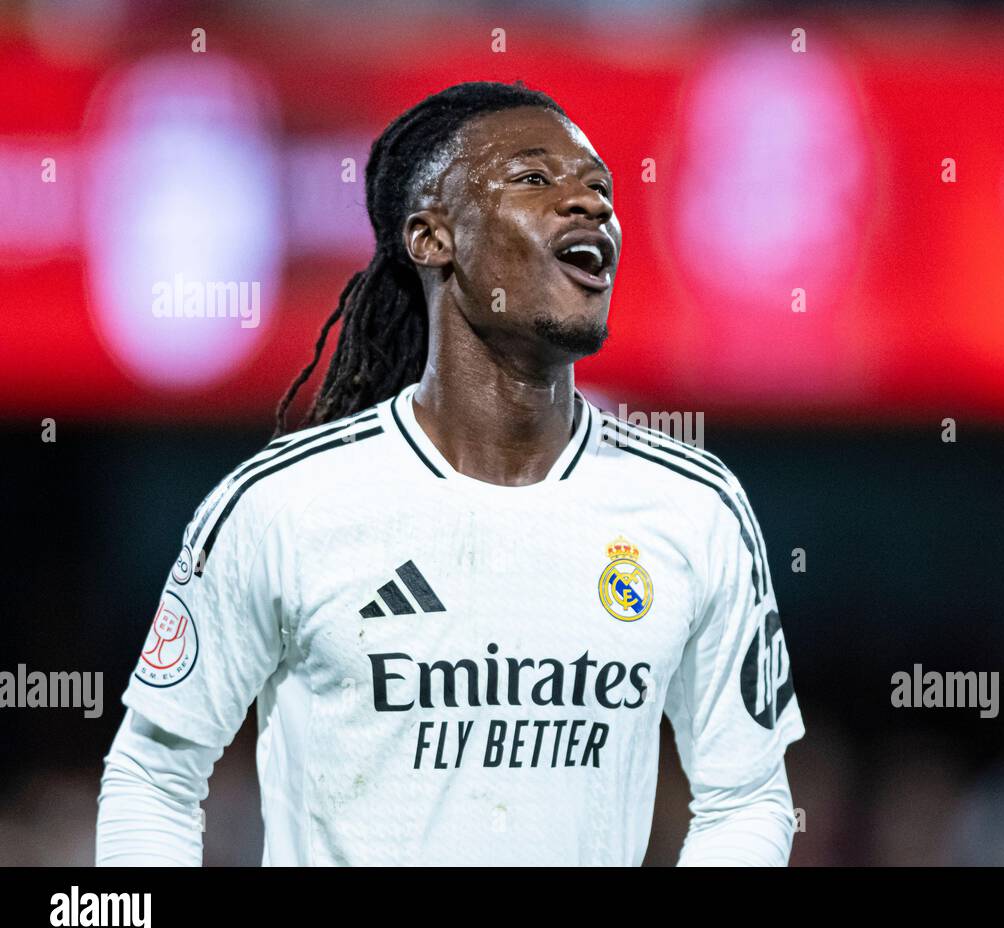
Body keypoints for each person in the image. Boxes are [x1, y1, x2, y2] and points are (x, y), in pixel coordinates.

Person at [96, 81, 804, 866]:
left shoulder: (692, 510)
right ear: (432, 238)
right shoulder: (283, 508)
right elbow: (153, 775)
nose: (591, 206)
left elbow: (746, 796)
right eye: (535, 180)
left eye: (600, 188)